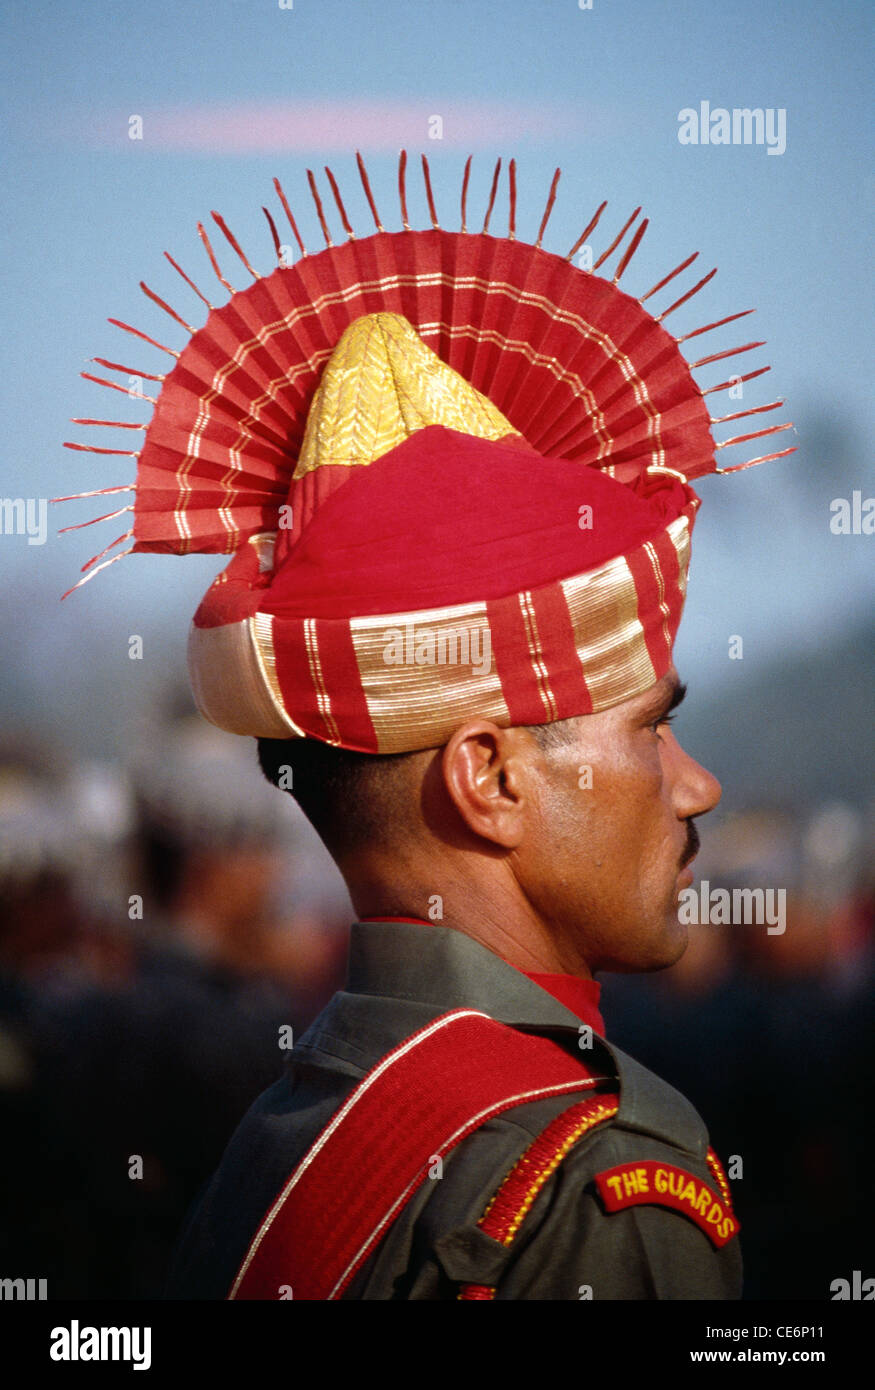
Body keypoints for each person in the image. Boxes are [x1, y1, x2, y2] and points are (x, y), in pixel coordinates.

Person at [63, 152, 794, 1299]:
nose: (695, 786)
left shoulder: (290, 1115)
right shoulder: (593, 1180)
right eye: (651, 730)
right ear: (489, 777)